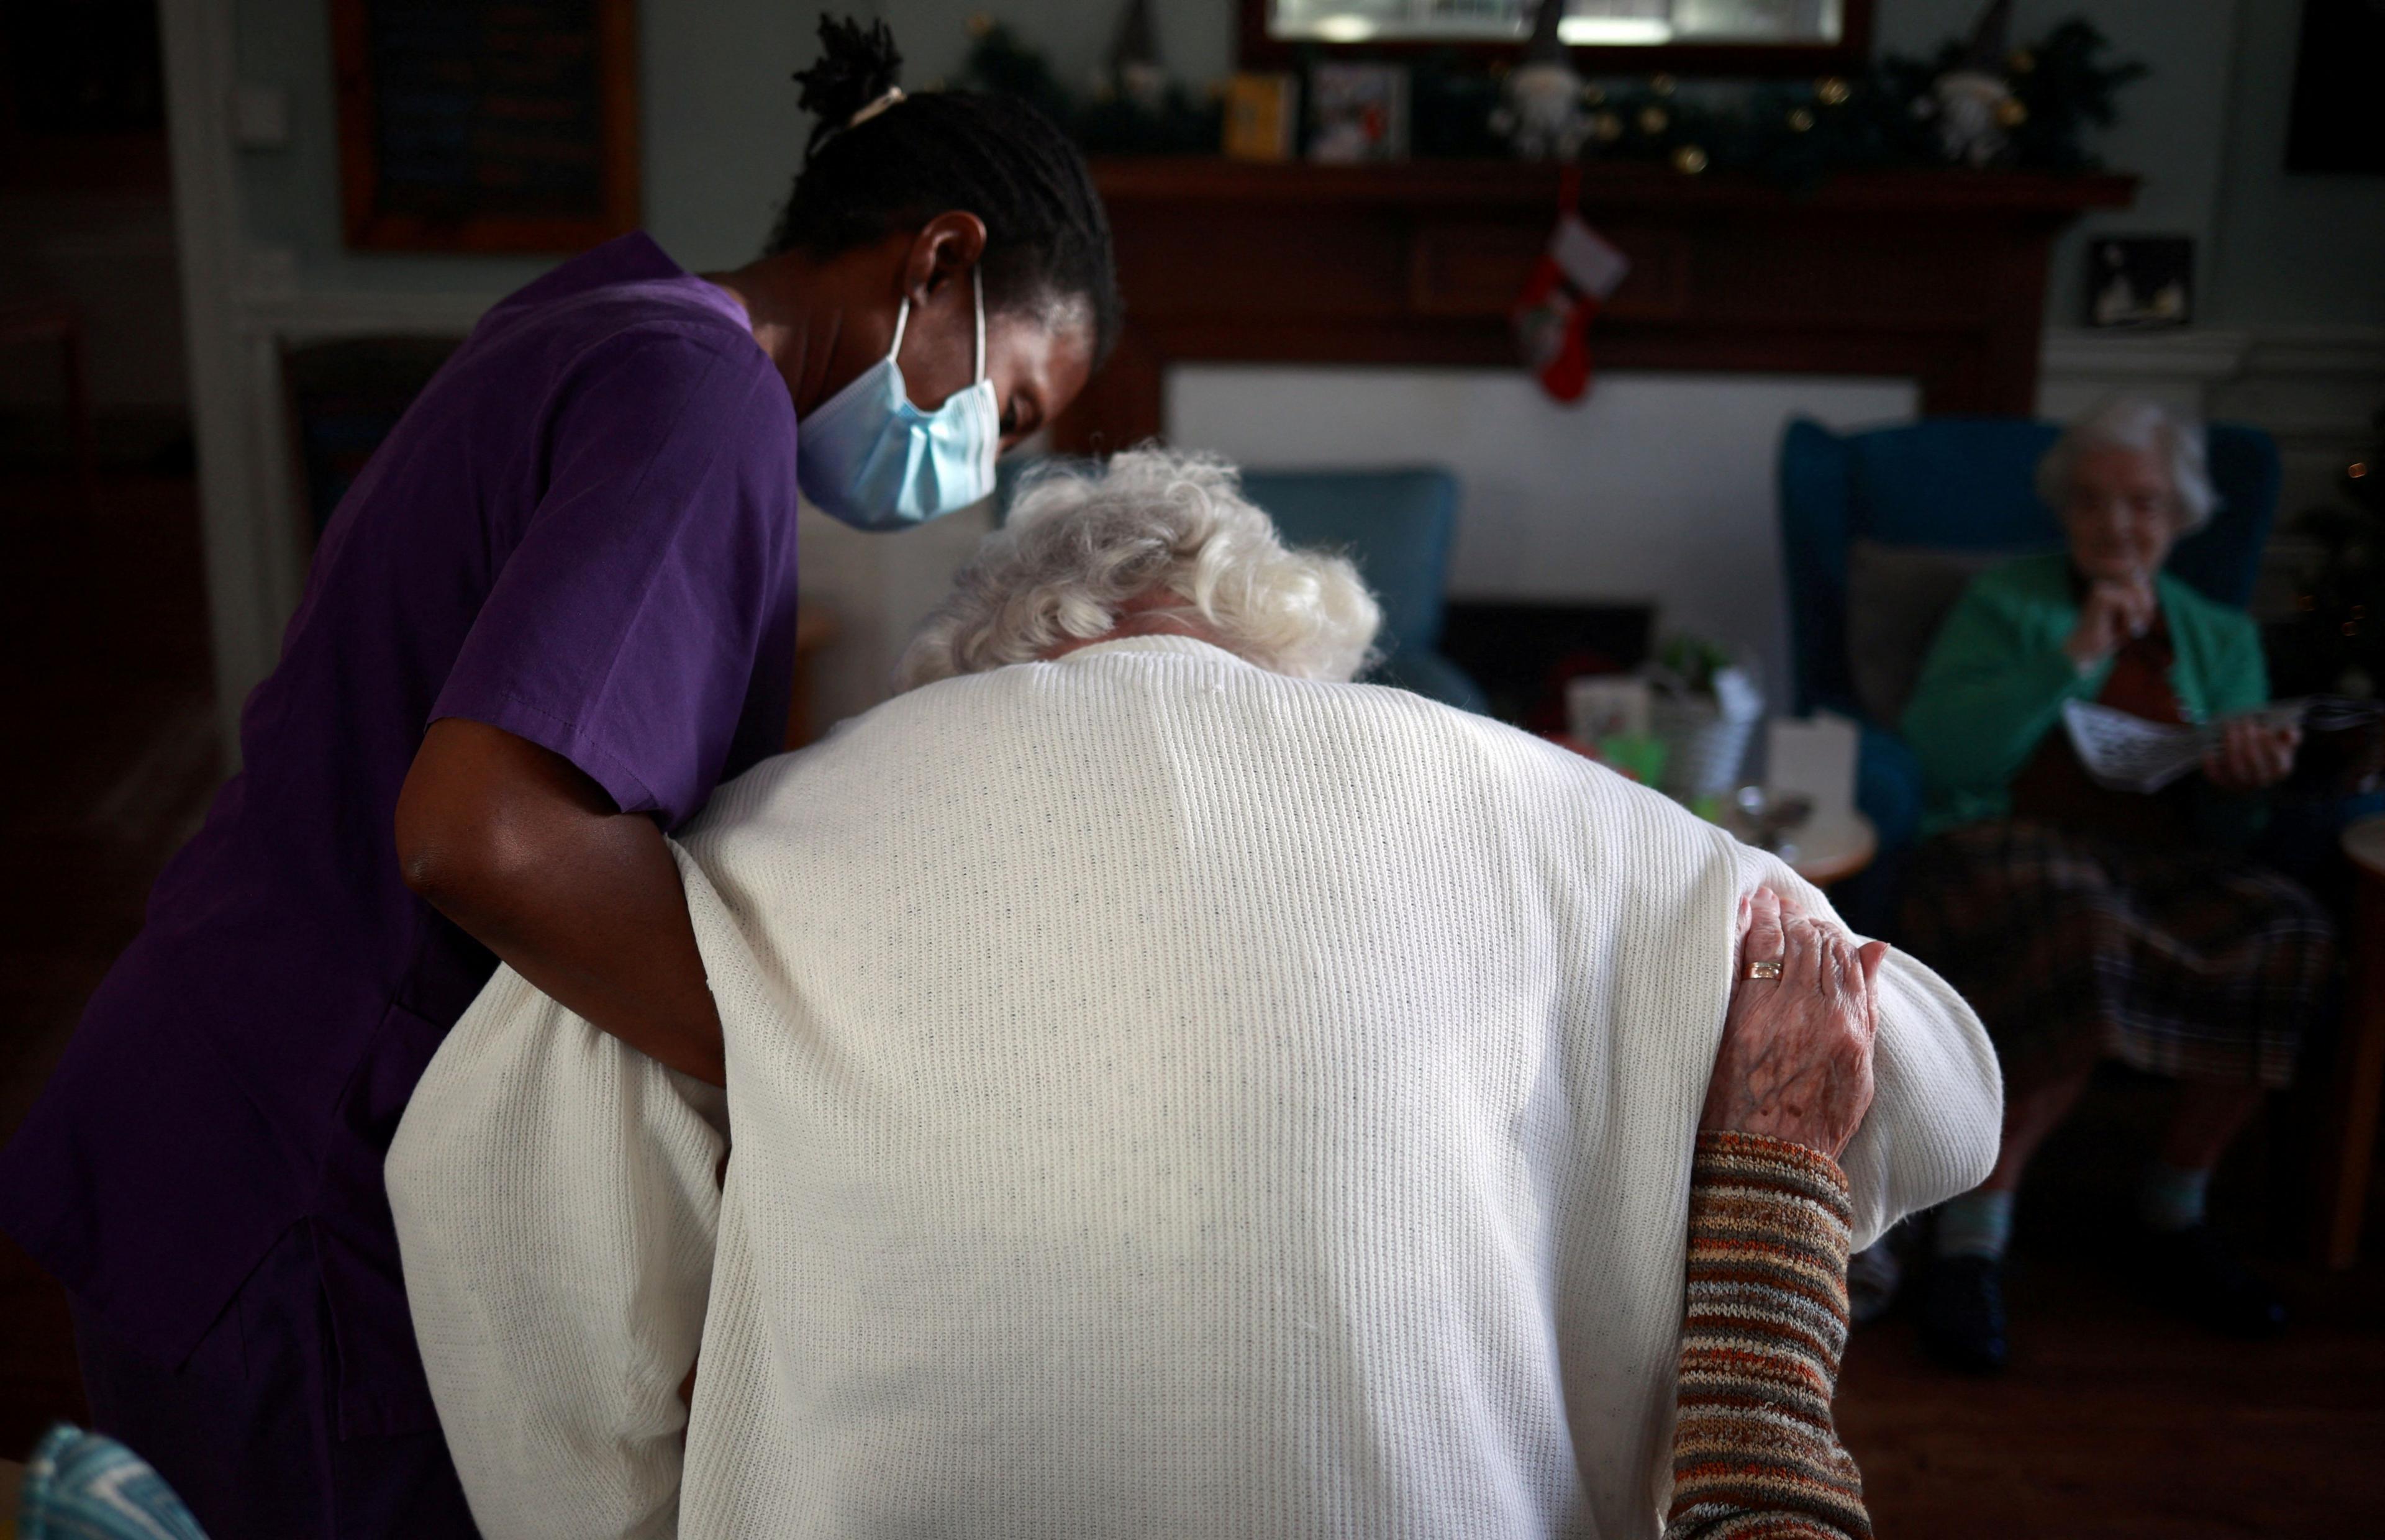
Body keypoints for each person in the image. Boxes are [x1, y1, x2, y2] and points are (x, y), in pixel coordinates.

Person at [388, 450, 2001, 1539]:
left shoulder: (771, 825)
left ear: (992, 652)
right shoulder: (1553, 811)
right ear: (1298, 647)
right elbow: (1940, 1092)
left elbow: (489, 1195)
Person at [0, 18, 1117, 1536]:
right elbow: (487, 833)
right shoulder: (701, 399)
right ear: (937, 262)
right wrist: (821, 1072)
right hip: (301, 1182)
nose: (984, 458)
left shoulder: (596, 311)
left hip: (202, 1089)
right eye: (1014, 406)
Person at [1897, 396, 2335, 1374]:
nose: (2116, 527)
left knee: (2289, 927)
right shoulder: (2007, 605)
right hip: (2007, 840)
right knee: (2079, 924)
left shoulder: (2220, 638)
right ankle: (1974, 1236)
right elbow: (1939, 751)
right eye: (2091, 504)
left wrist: (2243, 781)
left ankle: (2175, 1206)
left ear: (2177, 516)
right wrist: (2073, 657)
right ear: (2063, 513)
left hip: (2164, 864)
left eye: (2140, 504)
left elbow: (2236, 830)